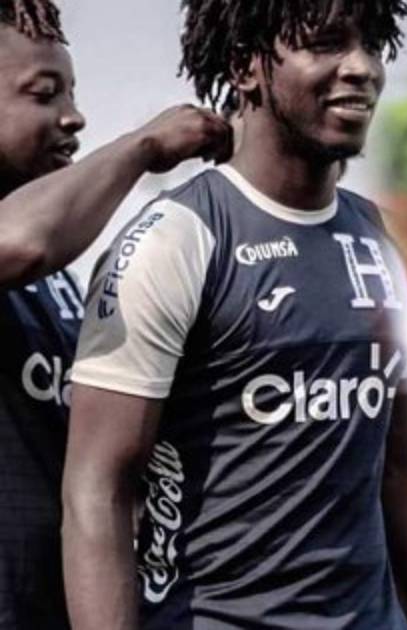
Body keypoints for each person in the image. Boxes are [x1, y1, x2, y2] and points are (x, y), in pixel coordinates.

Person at [61, 1, 407, 629]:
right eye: (326, 44)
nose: (361, 67)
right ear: (245, 67)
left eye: (371, 45)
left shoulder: (373, 237)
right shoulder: (178, 239)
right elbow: (98, 490)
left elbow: (400, 467)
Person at [0, 1, 230, 627]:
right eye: (44, 93)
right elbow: (24, 240)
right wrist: (143, 147)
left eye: (71, 92)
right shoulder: (26, 250)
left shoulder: (58, 283)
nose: (73, 116)